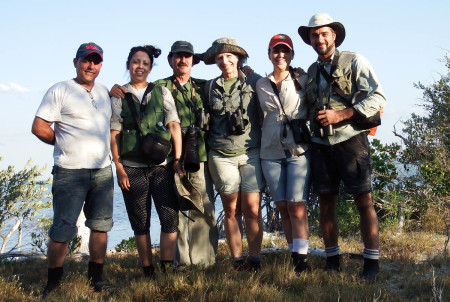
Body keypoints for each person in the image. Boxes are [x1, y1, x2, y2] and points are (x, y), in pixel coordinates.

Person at [298, 13, 386, 280]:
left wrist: (342, 114)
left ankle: (371, 263)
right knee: (326, 202)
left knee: (364, 201)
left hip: (351, 140)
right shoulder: (310, 72)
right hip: (320, 143)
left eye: (324, 33)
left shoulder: (354, 60)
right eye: (315, 35)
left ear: (334, 35)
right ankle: (332, 260)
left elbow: (378, 97)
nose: (319, 39)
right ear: (310, 40)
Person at [31, 42, 114, 298]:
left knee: (100, 227)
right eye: (86, 60)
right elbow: (39, 126)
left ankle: (96, 279)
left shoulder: (103, 92)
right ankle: (52, 284)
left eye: (96, 61)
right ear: (76, 62)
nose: (91, 66)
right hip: (70, 171)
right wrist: (61, 141)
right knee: (63, 230)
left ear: (101, 65)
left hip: (102, 171)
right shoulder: (60, 90)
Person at [109, 45, 183, 277]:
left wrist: (178, 159)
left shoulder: (162, 93)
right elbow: (114, 134)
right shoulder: (118, 95)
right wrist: (119, 167)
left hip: (161, 167)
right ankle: (147, 270)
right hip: (132, 167)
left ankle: (167, 266)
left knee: (169, 217)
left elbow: (174, 125)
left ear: (150, 68)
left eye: (145, 63)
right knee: (140, 221)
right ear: (128, 64)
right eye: (135, 62)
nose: (139, 66)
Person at [202, 37, 265, 271]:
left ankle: (255, 259)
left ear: (238, 58)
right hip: (221, 154)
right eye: (220, 57)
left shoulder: (255, 80)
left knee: (252, 208)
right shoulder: (209, 87)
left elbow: (278, 88)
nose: (225, 60)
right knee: (230, 209)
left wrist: (298, 75)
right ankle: (237, 259)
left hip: (251, 153)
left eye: (229, 56)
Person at [256, 34, 311, 273]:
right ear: (269, 55)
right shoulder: (259, 83)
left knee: (297, 206)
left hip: (297, 149)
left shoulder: (302, 79)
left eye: (285, 51)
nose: (280, 55)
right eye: (276, 51)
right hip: (270, 152)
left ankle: (302, 260)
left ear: (291, 55)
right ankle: (293, 254)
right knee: (283, 207)